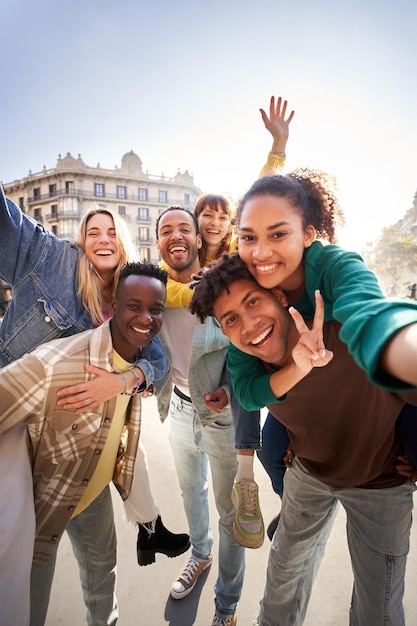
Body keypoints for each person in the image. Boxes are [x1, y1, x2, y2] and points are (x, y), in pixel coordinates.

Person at [189, 173, 417, 624]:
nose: (248, 325)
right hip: (308, 474)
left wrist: (389, 341)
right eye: (231, 319)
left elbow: (371, 316)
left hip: (381, 481)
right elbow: (251, 397)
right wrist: (298, 367)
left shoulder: (333, 303)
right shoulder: (243, 353)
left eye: (254, 304)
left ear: (276, 292)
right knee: (282, 581)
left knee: (380, 606)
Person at [0, 188, 187, 625]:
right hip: (22, 441)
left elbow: (155, 355)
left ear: (123, 240)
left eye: (111, 232)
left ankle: (148, 529)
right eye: (92, 231)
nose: (102, 239)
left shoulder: (131, 292)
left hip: (86, 452)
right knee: (26, 567)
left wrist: (124, 379)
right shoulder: (51, 259)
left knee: (102, 568)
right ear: (81, 240)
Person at [163, 94, 295, 549]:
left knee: (243, 380)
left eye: (224, 217)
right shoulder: (184, 266)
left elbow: (257, 196)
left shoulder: (237, 253)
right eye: (208, 217)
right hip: (200, 382)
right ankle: (204, 547)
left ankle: (247, 479)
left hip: (237, 359)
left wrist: (277, 147)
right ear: (196, 225)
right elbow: (165, 291)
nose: (217, 222)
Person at [155, 206, 246, 626]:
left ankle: (226, 607)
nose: (175, 236)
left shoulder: (218, 286)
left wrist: (228, 392)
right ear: (158, 242)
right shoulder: (151, 287)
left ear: (197, 238)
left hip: (220, 418)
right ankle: (199, 555)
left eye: (184, 229)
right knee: (191, 494)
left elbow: (245, 348)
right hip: (176, 408)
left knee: (230, 512)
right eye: (165, 230)